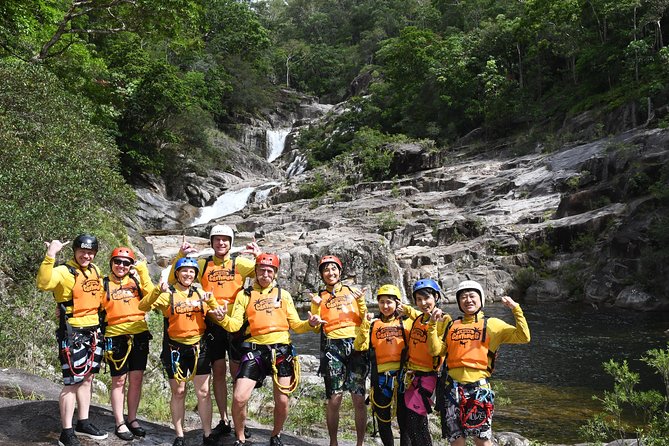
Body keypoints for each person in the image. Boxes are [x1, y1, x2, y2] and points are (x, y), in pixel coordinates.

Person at [215, 253, 324, 446]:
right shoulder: (244, 295)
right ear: (255, 271)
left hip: (281, 350)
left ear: (275, 274)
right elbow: (233, 326)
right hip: (255, 350)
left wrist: (311, 322)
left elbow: (297, 326)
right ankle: (239, 437)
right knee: (240, 397)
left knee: (282, 399)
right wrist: (221, 317)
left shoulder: (284, 295)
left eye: (269, 271)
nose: (265, 274)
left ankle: (276, 434)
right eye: (262, 270)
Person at [175, 225, 260, 438]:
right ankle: (223, 419)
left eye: (225, 240)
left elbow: (266, 273)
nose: (221, 243)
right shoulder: (202, 264)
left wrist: (259, 256)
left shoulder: (239, 263)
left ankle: (240, 419)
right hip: (212, 326)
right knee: (219, 373)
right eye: (217, 239)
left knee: (238, 375)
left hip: (236, 325)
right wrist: (180, 254)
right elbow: (174, 279)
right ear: (211, 242)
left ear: (231, 243)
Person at [428, 280, 530, 446]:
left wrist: (515, 309)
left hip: (478, 390)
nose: (468, 300)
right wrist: (432, 325)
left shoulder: (493, 324)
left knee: (482, 440)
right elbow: (435, 351)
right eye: (463, 297)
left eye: (472, 296)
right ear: (459, 302)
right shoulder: (452, 325)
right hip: (452, 389)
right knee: (456, 440)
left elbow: (523, 337)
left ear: (481, 299)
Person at [139, 257, 223, 446]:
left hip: (198, 348)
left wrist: (216, 307)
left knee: (203, 392)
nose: (188, 274)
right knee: (178, 392)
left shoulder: (201, 293)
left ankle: (207, 434)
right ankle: (179, 435)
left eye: (192, 271)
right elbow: (142, 306)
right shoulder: (167, 294)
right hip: (174, 349)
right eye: (184, 271)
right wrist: (156, 291)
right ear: (177, 273)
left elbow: (217, 314)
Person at [36, 234, 109, 446]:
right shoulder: (63, 271)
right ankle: (66, 432)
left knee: (88, 378)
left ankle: (83, 422)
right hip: (72, 333)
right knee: (72, 382)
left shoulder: (95, 270)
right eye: (82, 251)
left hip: (94, 331)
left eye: (90, 252)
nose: (86, 255)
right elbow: (43, 283)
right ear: (75, 251)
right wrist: (51, 254)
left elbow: (100, 297)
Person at [310, 255, 368, 446]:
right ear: (321, 274)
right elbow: (316, 325)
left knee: (359, 399)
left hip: (356, 346)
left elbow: (364, 317)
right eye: (326, 270)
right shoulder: (320, 296)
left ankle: (360, 443)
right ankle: (333, 442)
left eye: (334, 268)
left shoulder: (352, 291)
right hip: (332, 347)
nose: (330, 273)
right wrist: (315, 308)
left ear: (340, 271)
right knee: (334, 398)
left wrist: (360, 301)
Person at [101, 246, 155, 440]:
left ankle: (132, 419)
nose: (121, 266)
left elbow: (152, 297)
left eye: (126, 263)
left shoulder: (135, 283)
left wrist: (142, 272)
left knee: (137, 379)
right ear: (111, 263)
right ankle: (119, 422)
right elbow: (89, 304)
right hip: (115, 336)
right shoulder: (103, 283)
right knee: (119, 380)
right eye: (118, 262)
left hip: (139, 334)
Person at [354, 284, 417, 446]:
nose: (385, 306)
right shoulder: (373, 325)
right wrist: (365, 325)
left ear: (397, 303)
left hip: (402, 377)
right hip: (381, 377)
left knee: (404, 419)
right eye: (382, 302)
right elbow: (359, 346)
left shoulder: (407, 324)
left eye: (389, 302)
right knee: (383, 418)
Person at [398, 278, 451, 446]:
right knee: (409, 422)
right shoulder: (420, 317)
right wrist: (405, 308)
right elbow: (416, 314)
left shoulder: (443, 320)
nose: (423, 303)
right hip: (412, 376)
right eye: (418, 299)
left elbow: (437, 348)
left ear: (436, 297)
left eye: (426, 298)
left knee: (416, 421)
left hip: (428, 376)